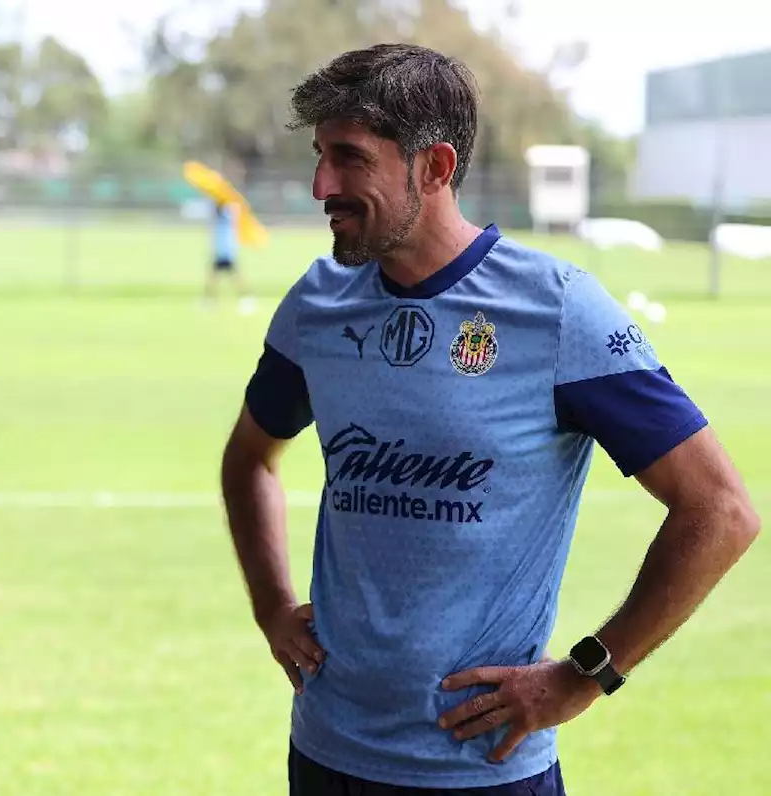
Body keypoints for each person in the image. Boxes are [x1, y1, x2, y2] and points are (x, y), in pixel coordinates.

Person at [219, 43, 760, 795]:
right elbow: (249, 458)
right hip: (326, 755)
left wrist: (583, 676)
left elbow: (721, 510)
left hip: (485, 773)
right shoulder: (318, 304)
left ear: (434, 168)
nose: (320, 185)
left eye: (348, 158)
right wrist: (273, 607)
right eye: (319, 155)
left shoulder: (557, 310)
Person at [205, 198, 256, 314]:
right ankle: (210, 299)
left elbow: (234, 209)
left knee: (235, 277)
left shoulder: (229, 216)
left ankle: (246, 298)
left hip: (227, 252)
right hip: (221, 251)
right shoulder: (219, 219)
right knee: (214, 277)